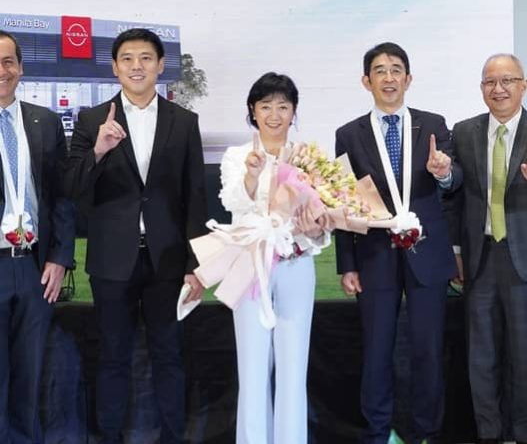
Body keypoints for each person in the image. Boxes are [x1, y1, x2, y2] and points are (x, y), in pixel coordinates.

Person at [66, 28, 207, 444]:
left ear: (161, 65)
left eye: (146, 57)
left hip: (168, 261)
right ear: (114, 68)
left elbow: (195, 196)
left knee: (169, 356)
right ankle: (108, 437)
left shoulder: (184, 121)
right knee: (112, 357)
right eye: (127, 58)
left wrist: (195, 264)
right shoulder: (92, 120)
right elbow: (72, 188)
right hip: (112, 261)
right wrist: (98, 150)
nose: (136, 66)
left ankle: (173, 437)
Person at [335, 42, 461, 444]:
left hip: (427, 254)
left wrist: (443, 172)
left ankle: (428, 432)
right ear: (366, 81)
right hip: (374, 256)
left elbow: (454, 181)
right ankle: (378, 432)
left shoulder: (434, 124)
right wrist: (347, 263)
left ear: (408, 79)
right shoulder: (348, 134)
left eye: (395, 70)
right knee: (376, 351)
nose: (388, 78)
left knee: (428, 350)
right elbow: (343, 202)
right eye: (379, 70)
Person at [219, 72, 330, 444]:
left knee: (293, 370)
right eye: (266, 106)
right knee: (252, 369)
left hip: (297, 264)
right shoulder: (237, 156)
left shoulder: (309, 158)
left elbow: (324, 221)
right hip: (251, 267)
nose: (274, 114)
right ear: (253, 111)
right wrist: (252, 176)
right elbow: (233, 203)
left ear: (294, 112)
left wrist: (315, 229)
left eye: (283, 106)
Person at [0, 30, 74, 444]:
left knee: (29, 376)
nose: (2, 71)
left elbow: (61, 197)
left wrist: (60, 257)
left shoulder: (44, 122)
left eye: (8, 61)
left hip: (33, 267)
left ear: (21, 68)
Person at [451, 53, 527, 444]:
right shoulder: (464, 132)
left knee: (524, 354)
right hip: (479, 257)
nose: (498, 89)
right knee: (482, 357)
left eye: (507, 81)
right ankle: (490, 433)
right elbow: (453, 195)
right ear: (482, 88)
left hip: (523, 261)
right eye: (490, 82)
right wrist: (456, 251)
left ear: (523, 86)